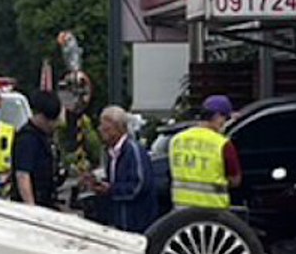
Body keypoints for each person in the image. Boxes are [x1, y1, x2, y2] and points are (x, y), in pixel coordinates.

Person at [89, 105, 161, 234]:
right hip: (120, 221)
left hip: (137, 221)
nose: (101, 131)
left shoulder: (132, 150)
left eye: (106, 129)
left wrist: (111, 189)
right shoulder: (110, 152)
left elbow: (139, 185)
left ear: (119, 129)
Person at [167, 95, 242, 210]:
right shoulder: (222, 144)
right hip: (213, 211)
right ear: (217, 117)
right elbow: (235, 180)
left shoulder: (177, 140)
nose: (226, 124)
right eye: (226, 119)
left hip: (181, 210)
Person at [9, 88, 62, 208]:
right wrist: (31, 208)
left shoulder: (44, 136)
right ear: (39, 116)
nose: (54, 124)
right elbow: (23, 175)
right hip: (33, 204)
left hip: (46, 201)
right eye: (50, 120)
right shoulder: (27, 139)